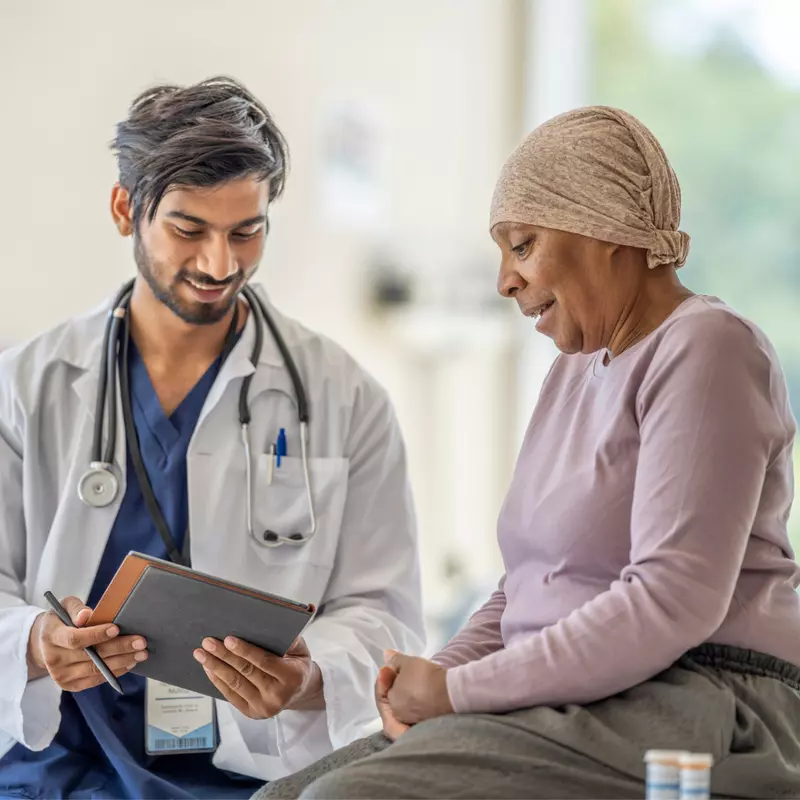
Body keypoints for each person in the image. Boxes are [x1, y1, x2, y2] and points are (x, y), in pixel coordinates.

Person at [255, 106, 800, 800]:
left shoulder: (709, 347)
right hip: (585, 701)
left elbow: (675, 597)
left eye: (522, 244)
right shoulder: (572, 372)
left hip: (704, 697)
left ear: (605, 228)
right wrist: (425, 680)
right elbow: (528, 585)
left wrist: (458, 690)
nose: (504, 281)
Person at [0, 76, 424, 799]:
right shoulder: (26, 389)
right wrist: (35, 647)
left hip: (256, 776)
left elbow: (386, 612)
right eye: (189, 230)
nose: (219, 265)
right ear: (125, 209)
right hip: (57, 771)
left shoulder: (345, 398)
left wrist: (307, 676)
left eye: (246, 232)